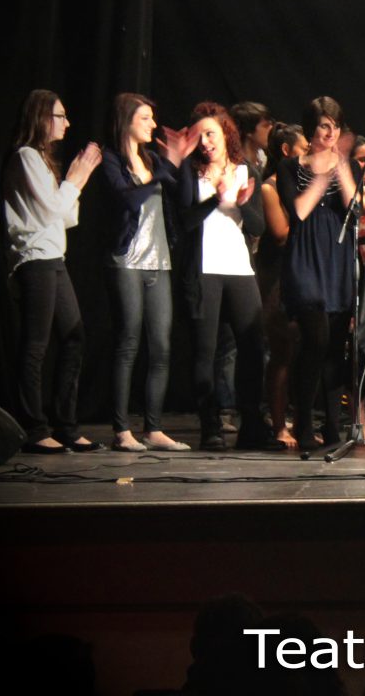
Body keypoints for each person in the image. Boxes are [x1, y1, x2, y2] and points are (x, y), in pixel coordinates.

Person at [4, 89, 103, 454]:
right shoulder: (26, 156)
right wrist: (77, 178)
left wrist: (76, 179)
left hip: (53, 257)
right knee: (36, 345)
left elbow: (66, 216)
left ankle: (66, 425)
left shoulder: (43, 161)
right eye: (60, 116)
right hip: (34, 259)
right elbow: (50, 212)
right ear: (41, 117)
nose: (67, 123)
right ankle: (34, 428)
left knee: (74, 337)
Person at [178, 102, 276, 450]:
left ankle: (252, 425)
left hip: (239, 268)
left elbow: (259, 226)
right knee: (205, 351)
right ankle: (210, 427)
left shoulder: (245, 170)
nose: (205, 142)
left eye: (210, 134)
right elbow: (185, 221)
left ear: (225, 133)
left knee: (252, 348)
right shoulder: (190, 171)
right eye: (199, 136)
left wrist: (240, 202)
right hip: (204, 269)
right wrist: (215, 199)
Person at [100, 93, 192, 452]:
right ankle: (122, 430)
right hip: (126, 260)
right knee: (128, 343)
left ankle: (154, 428)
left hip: (159, 261)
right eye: (145, 118)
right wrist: (162, 172)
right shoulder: (112, 159)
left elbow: (182, 198)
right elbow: (128, 199)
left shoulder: (152, 159)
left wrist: (178, 162)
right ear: (127, 121)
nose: (153, 124)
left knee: (162, 347)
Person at [278, 96, 358, 450]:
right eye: (325, 125)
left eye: (336, 126)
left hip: (336, 256)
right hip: (306, 256)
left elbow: (354, 208)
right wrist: (324, 175)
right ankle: (304, 423)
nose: (331, 133)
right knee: (316, 339)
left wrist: (342, 168)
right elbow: (299, 210)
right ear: (311, 128)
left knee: (335, 346)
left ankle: (333, 426)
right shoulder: (289, 167)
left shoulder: (345, 165)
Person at [259, 122, 308, 447]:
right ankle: (279, 425)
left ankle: (302, 424)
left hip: (306, 272)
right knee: (282, 352)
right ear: (287, 151)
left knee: (305, 352)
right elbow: (280, 234)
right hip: (279, 275)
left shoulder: (305, 184)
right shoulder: (271, 187)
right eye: (305, 149)